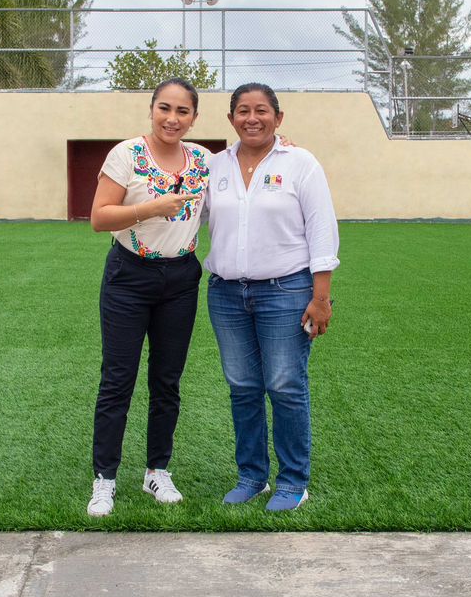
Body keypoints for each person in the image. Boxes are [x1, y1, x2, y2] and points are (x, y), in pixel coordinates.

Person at [203, 83, 339, 512]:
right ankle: (252, 476)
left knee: (285, 385)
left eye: (262, 110)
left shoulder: (301, 163)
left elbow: (321, 229)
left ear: (278, 118)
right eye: (242, 111)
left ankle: (293, 481)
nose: (252, 118)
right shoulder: (214, 166)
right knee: (242, 386)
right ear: (231, 119)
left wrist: (321, 297)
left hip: (286, 291)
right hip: (226, 294)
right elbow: (190, 213)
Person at [85, 78, 212, 518]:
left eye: (182, 111)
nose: (172, 119)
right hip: (129, 275)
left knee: (167, 381)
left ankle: (157, 470)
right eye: (164, 108)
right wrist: (151, 208)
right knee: (118, 378)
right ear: (151, 109)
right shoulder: (127, 154)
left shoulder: (203, 160)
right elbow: (99, 218)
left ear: (194, 117)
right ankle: (105, 479)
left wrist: (281, 146)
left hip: (180, 278)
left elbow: (247, 167)